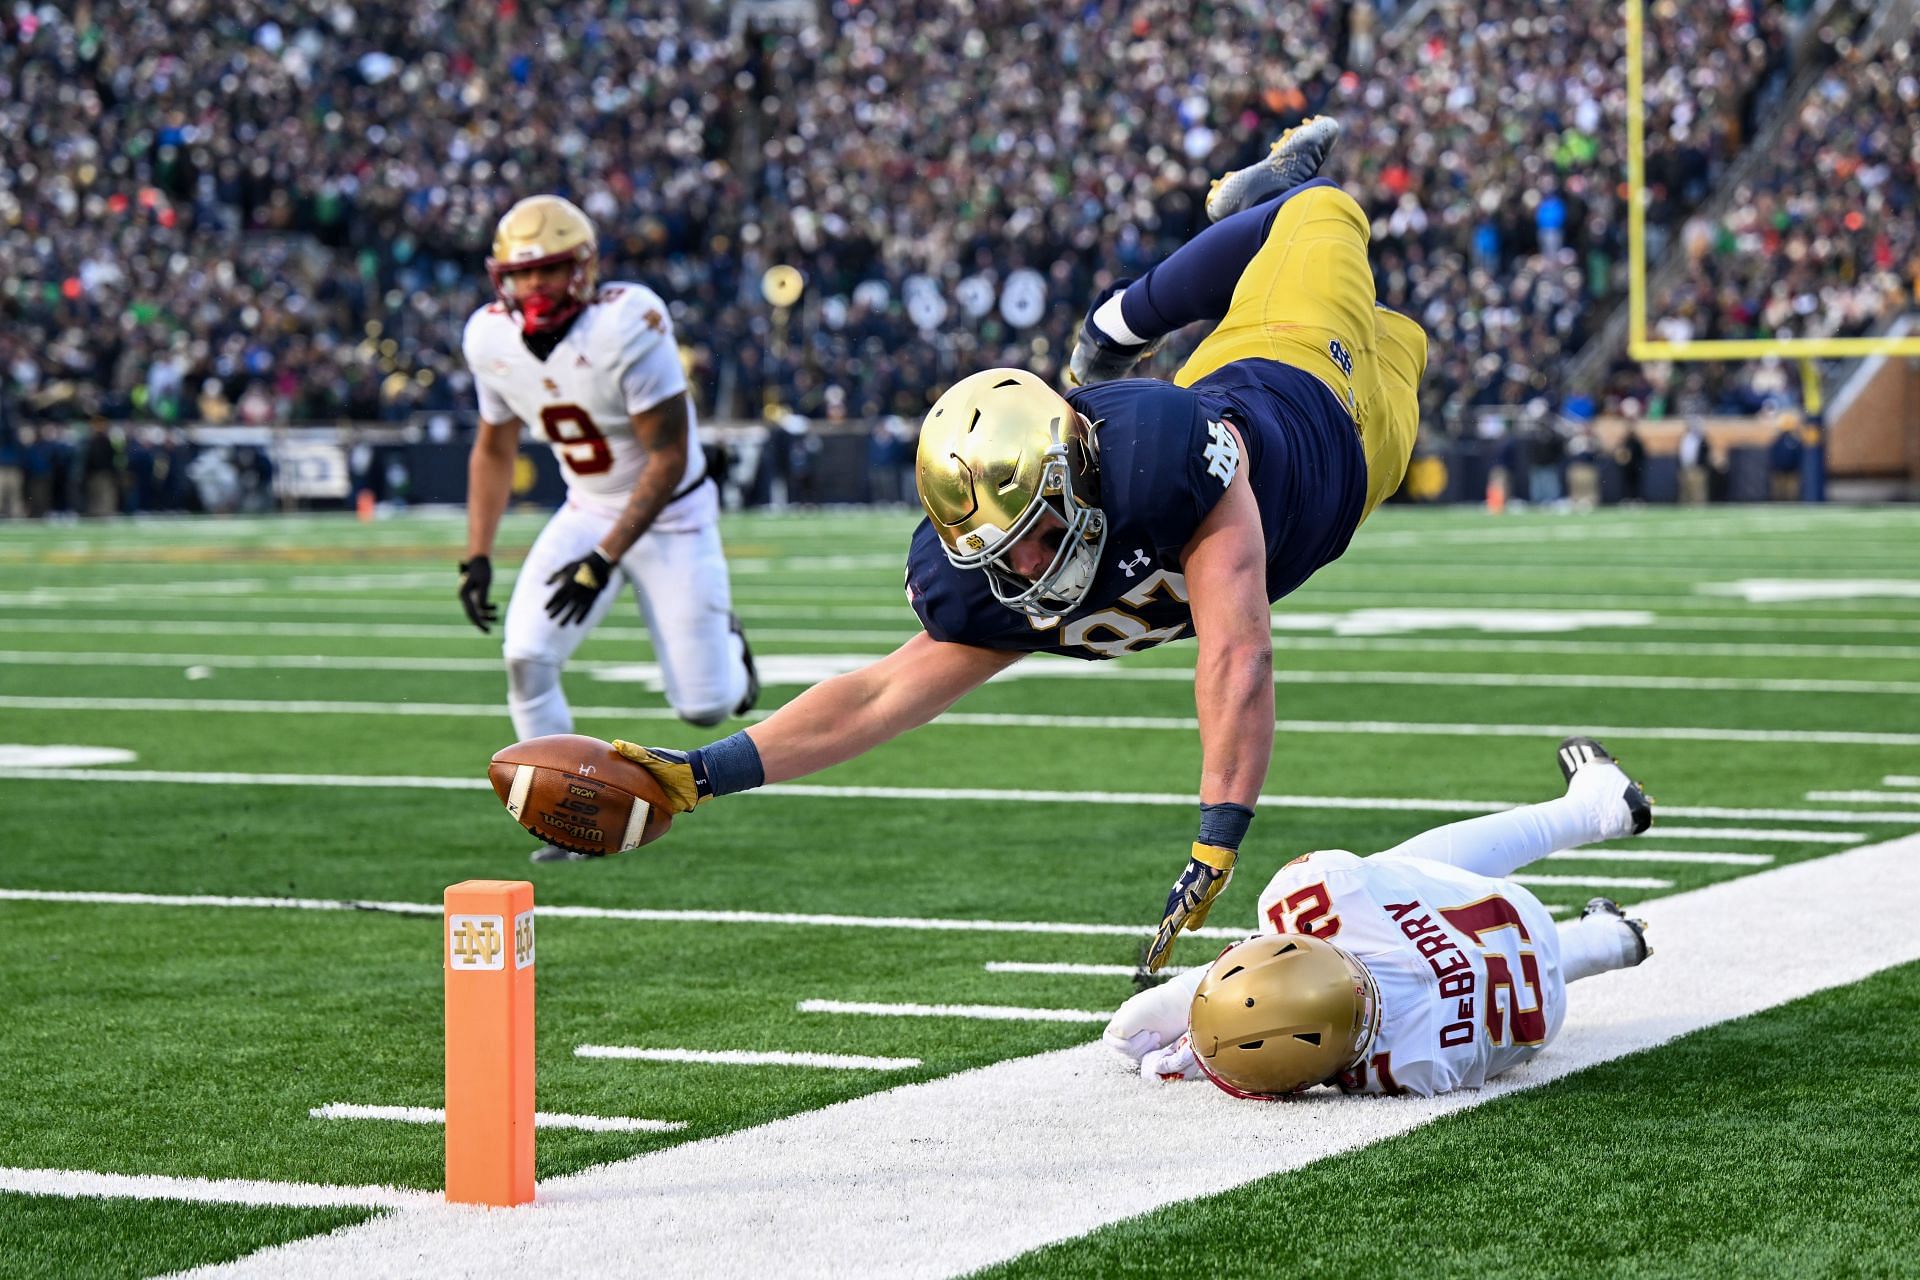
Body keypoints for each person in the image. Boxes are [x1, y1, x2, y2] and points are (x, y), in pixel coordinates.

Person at [586, 118, 1429, 970]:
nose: (1025, 569)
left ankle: (1122, 313)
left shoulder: (1162, 463)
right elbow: (878, 696)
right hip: (1366, 478)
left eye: (1035, 536)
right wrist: (698, 773)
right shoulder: (993, 576)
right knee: (1404, 336)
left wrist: (1217, 835)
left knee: (1322, 211)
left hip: (1295, 370)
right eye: (1000, 554)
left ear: (1081, 477)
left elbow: (1238, 652)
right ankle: (1242, 252)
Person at [457, 195, 759, 862]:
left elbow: (670, 456)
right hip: (588, 505)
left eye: (551, 270)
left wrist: (603, 559)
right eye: (523, 273)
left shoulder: (628, 321)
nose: (534, 286)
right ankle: (567, 819)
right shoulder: (487, 337)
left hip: (673, 514)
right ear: (499, 275)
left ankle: (735, 660)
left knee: (707, 708)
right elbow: (494, 447)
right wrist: (477, 554)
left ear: (585, 268)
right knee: (526, 657)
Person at [1104, 737, 1654, 1099]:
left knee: (1478, 956)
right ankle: (1591, 810)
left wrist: (1210, 1047)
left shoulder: (1410, 1071)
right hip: (1510, 913)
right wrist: (1186, 1004)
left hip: (1544, 1011)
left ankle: (1611, 941)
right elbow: (1277, 965)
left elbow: (1298, 1036)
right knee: (1393, 870)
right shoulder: (1321, 893)